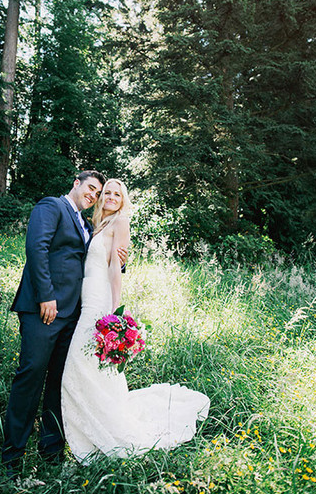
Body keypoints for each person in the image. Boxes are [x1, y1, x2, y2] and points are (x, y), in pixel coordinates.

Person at [61, 179, 210, 463]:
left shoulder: (120, 222)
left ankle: (100, 430)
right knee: (91, 368)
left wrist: (115, 312)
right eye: (107, 193)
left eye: (117, 194)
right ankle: (92, 427)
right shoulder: (98, 224)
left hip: (100, 302)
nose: (111, 197)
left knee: (78, 366)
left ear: (123, 199)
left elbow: (115, 268)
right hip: (86, 299)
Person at [2, 170, 127, 477]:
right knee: (31, 377)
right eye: (91, 188)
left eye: (98, 193)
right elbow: (37, 249)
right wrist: (46, 296)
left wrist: (120, 262)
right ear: (76, 183)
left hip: (73, 315)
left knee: (60, 382)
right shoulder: (52, 206)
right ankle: (12, 458)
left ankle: (51, 453)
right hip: (43, 309)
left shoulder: (87, 224)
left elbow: (96, 262)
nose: (94, 195)